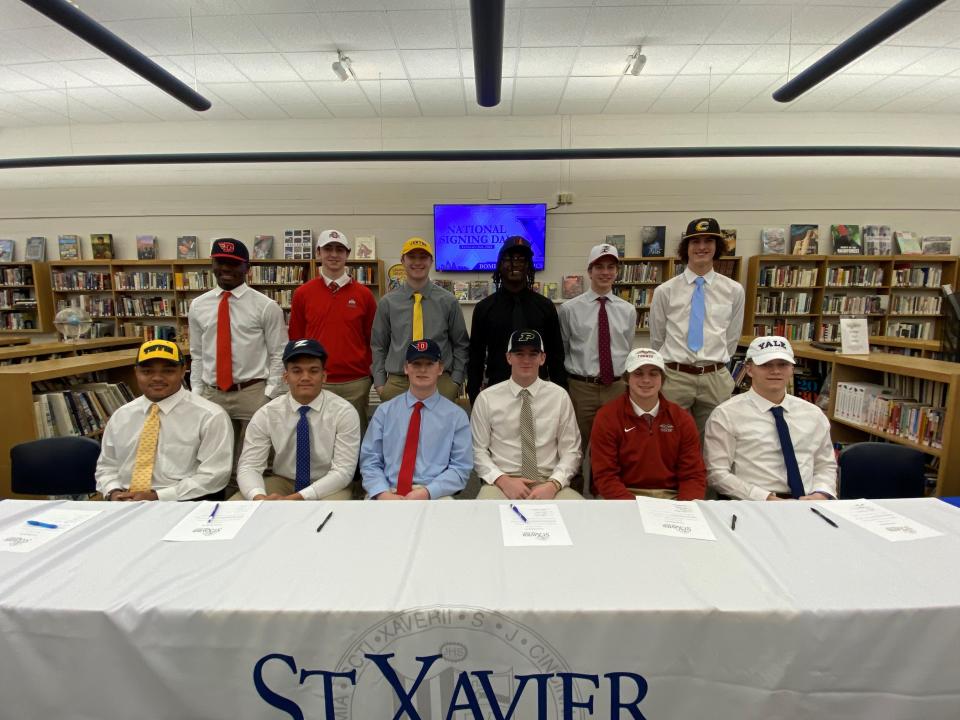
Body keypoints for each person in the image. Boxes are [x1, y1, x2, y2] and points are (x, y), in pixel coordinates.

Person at [187, 238, 286, 491]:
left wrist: (269, 393)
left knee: (256, 458)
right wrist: (196, 392)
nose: (226, 269)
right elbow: (196, 353)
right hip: (212, 393)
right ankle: (219, 502)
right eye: (221, 262)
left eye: (234, 264)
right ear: (212, 264)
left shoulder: (266, 306)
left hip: (252, 392)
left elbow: (278, 353)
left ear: (247, 267)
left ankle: (250, 500)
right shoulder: (198, 306)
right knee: (215, 457)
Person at [704, 336, 838, 501]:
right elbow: (716, 474)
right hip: (755, 504)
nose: (775, 371)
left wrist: (822, 493)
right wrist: (765, 498)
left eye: (783, 364)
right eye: (766, 365)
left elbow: (825, 465)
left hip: (809, 503)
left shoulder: (814, 414)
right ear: (749, 369)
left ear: (792, 369)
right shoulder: (726, 414)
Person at [96, 339, 232, 501]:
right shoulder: (121, 416)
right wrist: (113, 492)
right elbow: (106, 466)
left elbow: (214, 475)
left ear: (183, 371)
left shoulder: (210, 416)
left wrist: (157, 497)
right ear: (136, 372)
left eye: (168, 371)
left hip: (183, 502)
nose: (157, 378)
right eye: (147, 372)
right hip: (124, 501)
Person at [649, 217, 745, 434]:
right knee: (669, 437)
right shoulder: (666, 290)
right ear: (686, 247)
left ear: (717, 247)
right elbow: (657, 337)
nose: (702, 247)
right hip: (675, 377)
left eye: (708, 241)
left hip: (714, 377)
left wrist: (712, 363)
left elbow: (732, 337)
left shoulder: (733, 290)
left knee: (715, 440)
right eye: (695, 242)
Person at [234, 339, 360, 501]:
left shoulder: (344, 412)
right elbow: (249, 466)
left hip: (329, 483)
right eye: (297, 371)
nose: (305, 377)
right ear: (285, 377)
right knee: (236, 507)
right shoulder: (267, 414)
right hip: (284, 481)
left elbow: (343, 471)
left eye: (313, 371)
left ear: (324, 376)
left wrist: (297, 498)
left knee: (333, 516)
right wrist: (258, 497)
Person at [558, 243, 637, 490]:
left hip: (616, 387)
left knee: (613, 445)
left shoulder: (627, 310)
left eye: (611, 267)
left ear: (616, 272)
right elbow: (564, 346)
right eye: (599, 267)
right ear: (590, 271)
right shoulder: (570, 309)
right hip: (582, 388)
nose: (605, 272)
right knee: (575, 445)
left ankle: (602, 492)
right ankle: (574, 494)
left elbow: (626, 346)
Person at [472, 330, 582, 500]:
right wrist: (502, 480)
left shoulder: (559, 396)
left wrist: (554, 484)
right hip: (502, 482)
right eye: (519, 353)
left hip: (548, 481)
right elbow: (477, 451)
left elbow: (572, 451)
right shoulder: (487, 398)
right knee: (485, 515)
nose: (526, 360)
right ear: (508, 357)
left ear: (542, 358)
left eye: (533, 354)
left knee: (578, 513)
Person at [288, 229, 377, 432]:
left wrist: (368, 374)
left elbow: (372, 339)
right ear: (318, 253)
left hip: (356, 382)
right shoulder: (303, 294)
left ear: (348, 254)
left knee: (355, 438)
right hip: (316, 380)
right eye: (328, 249)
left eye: (340, 249)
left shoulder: (364, 295)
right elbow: (296, 338)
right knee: (316, 437)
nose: (334, 254)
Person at [360, 339, 472, 500]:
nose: (423, 369)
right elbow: (370, 460)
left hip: (434, 494)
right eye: (416, 364)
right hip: (388, 490)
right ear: (406, 368)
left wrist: (427, 492)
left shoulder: (456, 416)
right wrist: (381, 493)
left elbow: (460, 467)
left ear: (440, 368)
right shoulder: (384, 412)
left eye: (429, 364)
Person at [590, 348, 706, 500]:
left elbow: (693, 475)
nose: (646, 380)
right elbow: (605, 476)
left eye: (653, 373)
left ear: (662, 379)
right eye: (638, 373)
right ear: (626, 378)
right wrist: (634, 508)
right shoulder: (606, 417)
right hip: (621, 495)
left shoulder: (681, 419)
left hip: (670, 497)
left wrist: (683, 509)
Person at [467, 236, 566, 404]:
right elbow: (476, 355)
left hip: (539, 392)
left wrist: (561, 392)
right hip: (496, 391)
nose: (515, 264)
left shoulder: (545, 306)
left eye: (521, 259)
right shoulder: (484, 308)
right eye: (508, 259)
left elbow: (556, 354)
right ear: (499, 265)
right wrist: (473, 394)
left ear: (529, 266)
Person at [371, 237, 468, 402]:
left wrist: (455, 381)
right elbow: (378, 346)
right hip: (399, 383)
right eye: (412, 257)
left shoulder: (448, 301)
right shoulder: (388, 302)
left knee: (439, 428)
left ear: (431, 261)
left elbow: (461, 344)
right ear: (403, 260)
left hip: (440, 382)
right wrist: (380, 384)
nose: (417, 262)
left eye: (423, 257)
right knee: (399, 428)